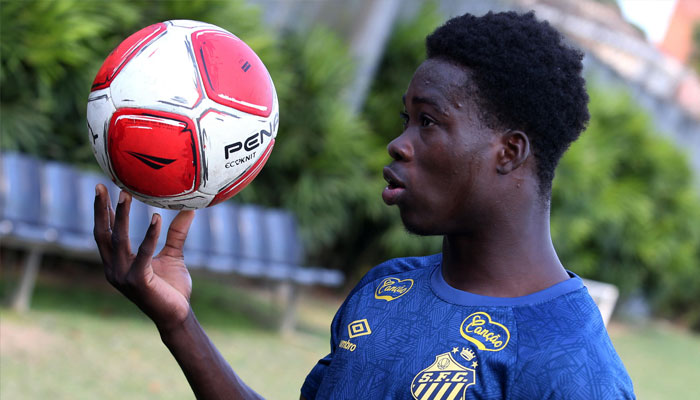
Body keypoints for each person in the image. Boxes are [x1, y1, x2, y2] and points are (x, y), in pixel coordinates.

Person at [93, 10, 635, 400]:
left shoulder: (571, 368)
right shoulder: (386, 288)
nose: (400, 144)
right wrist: (179, 323)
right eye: (406, 120)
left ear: (509, 152)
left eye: (429, 121)